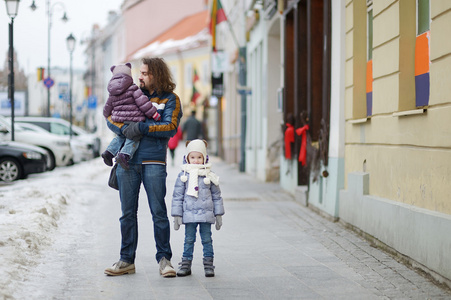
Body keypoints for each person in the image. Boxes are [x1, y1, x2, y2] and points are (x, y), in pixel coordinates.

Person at [104, 57, 182, 278]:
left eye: (145, 73)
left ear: (157, 75)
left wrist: (139, 127)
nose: (139, 76)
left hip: (154, 162)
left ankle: (164, 259)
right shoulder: (126, 92)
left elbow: (169, 127)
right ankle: (126, 260)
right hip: (126, 162)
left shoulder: (170, 100)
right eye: (140, 72)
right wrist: (128, 127)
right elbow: (110, 119)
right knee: (127, 214)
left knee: (158, 212)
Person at [171, 139, 225, 277]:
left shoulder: (209, 175)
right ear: (187, 158)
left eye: (199, 157)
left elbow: (216, 196)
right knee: (189, 240)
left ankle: (208, 265)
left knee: (207, 239)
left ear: (205, 157)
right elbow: (177, 196)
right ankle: (186, 264)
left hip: (206, 214)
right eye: (193, 157)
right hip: (189, 215)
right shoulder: (183, 175)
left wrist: (218, 214)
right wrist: (177, 215)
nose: (196, 160)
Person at [101, 62, 161, 170]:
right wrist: (154, 114)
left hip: (118, 120)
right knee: (133, 137)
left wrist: (106, 116)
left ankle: (109, 152)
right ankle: (124, 155)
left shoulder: (112, 92)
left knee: (120, 136)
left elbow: (107, 108)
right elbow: (143, 103)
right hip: (134, 120)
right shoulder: (133, 88)